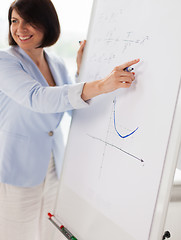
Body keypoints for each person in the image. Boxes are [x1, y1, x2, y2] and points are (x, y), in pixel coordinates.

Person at [0, 0, 140, 239]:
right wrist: (101, 84)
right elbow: (38, 98)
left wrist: (80, 70)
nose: (20, 29)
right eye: (15, 21)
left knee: (50, 232)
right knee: (16, 233)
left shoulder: (54, 62)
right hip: (17, 166)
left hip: (54, 164)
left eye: (28, 21)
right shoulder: (5, 61)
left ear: (47, 24)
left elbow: (73, 108)